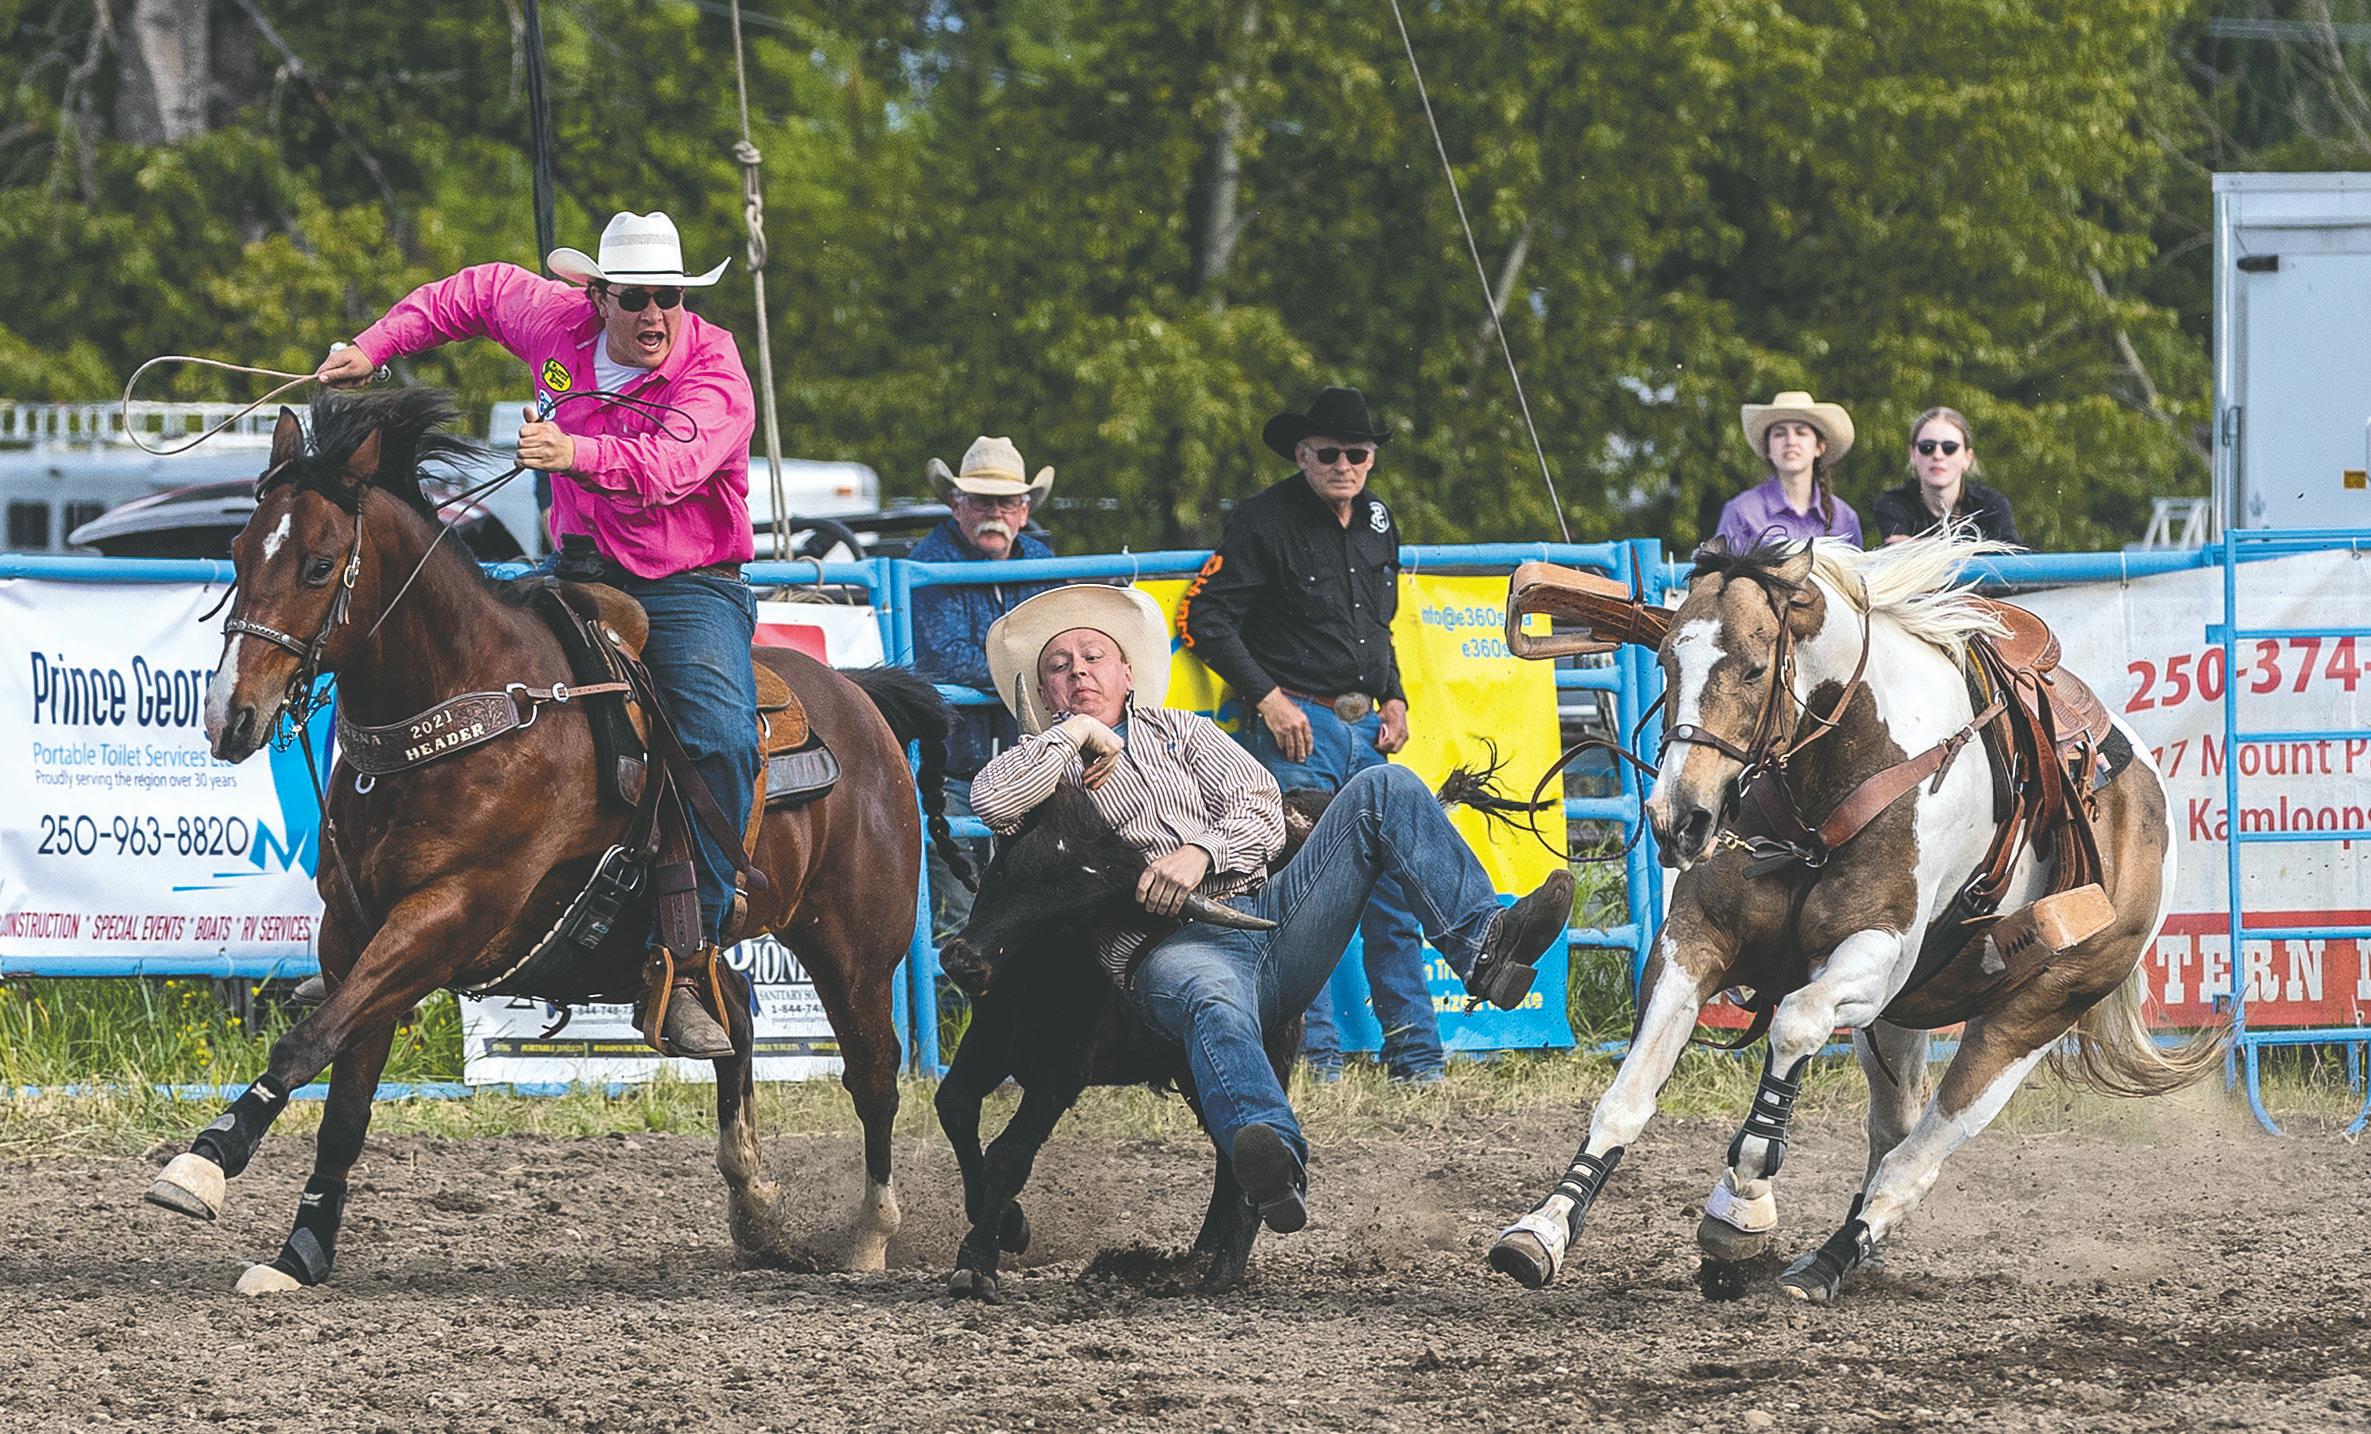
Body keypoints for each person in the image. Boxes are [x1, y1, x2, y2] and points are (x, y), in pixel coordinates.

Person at [969, 584, 1575, 1231]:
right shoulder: (1037, 765)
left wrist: (1199, 850)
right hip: (1166, 945)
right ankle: (1271, 1154)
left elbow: (1259, 803)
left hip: (1273, 909)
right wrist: (1078, 734)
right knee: (1210, 997)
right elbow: (992, 803)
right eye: (1057, 666)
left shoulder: (1180, 731)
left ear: (1126, 671)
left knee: (1382, 786)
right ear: (1043, 692)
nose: (1078, 670)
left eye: (1093, 655)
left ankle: (1484, 948)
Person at [317, 210, 756, 1061]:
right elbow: (469, 294)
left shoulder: (714, 364)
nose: (654, 317)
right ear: (596, 296)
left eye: (667, 297)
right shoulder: (555, 322)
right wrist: (374, 346)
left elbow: (680, 465)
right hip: (581, 571)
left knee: (719, 736)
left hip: (689, 583)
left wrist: (576, 453)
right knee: (467, 685)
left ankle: (692, 954)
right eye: (635, 299)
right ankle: (377, 926)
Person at [1178, 385, 1442, 1084]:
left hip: (1359, 721)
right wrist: (1266, 698)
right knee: (1304, 895)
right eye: (1328, 454)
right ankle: (1315, 1055)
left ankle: (1414, 1056)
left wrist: (1394, 696)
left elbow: (1375, 624)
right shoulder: (1262, 521)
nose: (1344, 465)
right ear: (1302, 455)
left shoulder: (1379, 521)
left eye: (1357, 453)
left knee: (1391, 889)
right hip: (1301, 724)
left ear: (1370, 458)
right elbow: (1201, 615)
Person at [910, 436, 1058, 938]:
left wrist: (1029, 667)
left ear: (1023, 510)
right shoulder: (927, 563)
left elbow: (1058, 645)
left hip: (1030, 770)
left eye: (1007, 502)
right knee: (956, 914)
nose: (994, 513)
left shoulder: (1042, 559)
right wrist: (1029, 671)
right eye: (980, 501)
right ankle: (953, 1014)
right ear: (956, 506)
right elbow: (940, 657)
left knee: (1034, 909)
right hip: (952, 769)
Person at [1717, 390, 1863, 549]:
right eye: (1779, 434)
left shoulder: (1845, 518)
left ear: (1819, 447)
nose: (1791, 441)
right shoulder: (1742, 511)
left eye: (1801, 433)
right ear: (1768, 449)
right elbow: (1719, 572)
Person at [1872, 407, 2020, 546]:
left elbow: (2014, 560)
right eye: (1927, 447)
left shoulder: (1992, 505)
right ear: (1913, 455)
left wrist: (1917, 546)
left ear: (1967, 458)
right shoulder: (1892, 503)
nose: (1937, 455)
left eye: (1949, 448)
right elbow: (1899, 553)